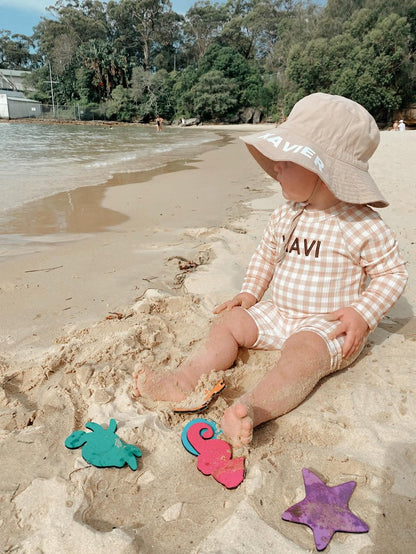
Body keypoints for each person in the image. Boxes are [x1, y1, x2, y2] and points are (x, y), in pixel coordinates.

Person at [134, 93, 408, 448]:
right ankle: (184, 379)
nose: (276, 165)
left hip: (324, 325)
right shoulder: (286, 212)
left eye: (287, 161)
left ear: (324, 173)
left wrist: (362, 313)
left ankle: (251, 409)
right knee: (229, 323)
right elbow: (265, 256)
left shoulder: (361, 224)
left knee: (303, 356)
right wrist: (250, 294)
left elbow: (392, 274)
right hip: (278, 312)